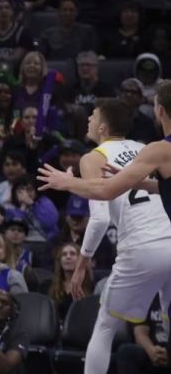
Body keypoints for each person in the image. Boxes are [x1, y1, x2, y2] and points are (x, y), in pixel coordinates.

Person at [44, 97, 171, 374]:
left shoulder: (94, 157)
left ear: (102, 127)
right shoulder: (147, 149)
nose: (89, 120)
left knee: (105, 325)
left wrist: (81, 264)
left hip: (142, 247)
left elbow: (100, 218)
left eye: (92, 115)